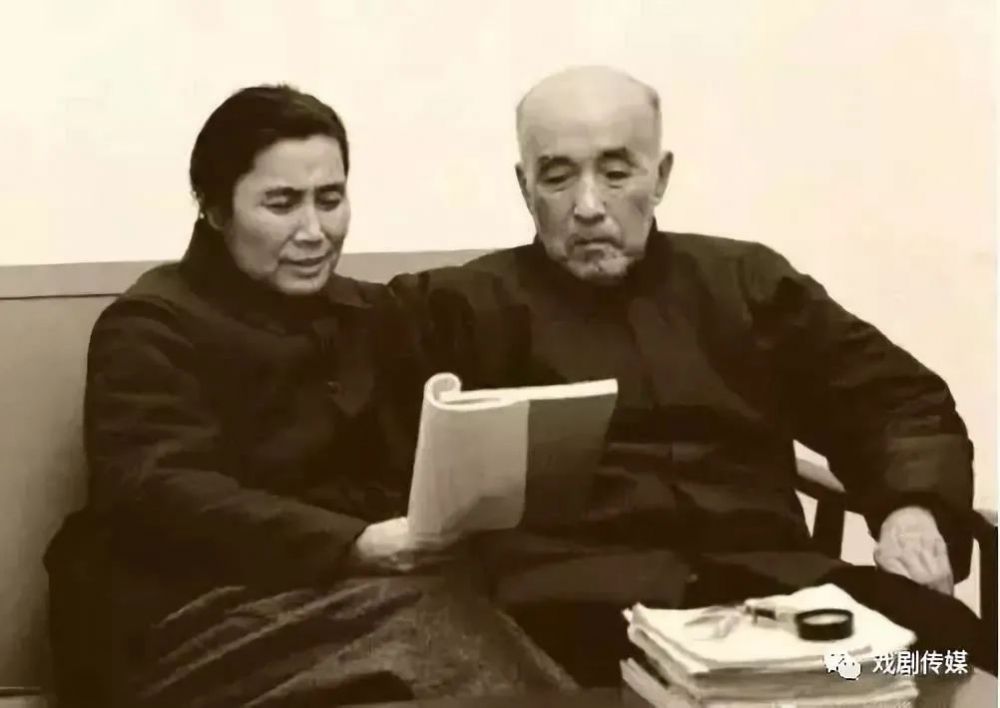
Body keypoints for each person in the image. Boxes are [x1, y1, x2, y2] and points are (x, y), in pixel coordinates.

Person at [391, 65, 996, 684]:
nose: (588, 207)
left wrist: (913, 508)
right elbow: (351, 423)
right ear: (526, 187)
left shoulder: (747, 284)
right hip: (578, 618)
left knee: (946, 654)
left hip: (780, 598)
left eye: (616, 172)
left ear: (661, 176)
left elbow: (893, 401)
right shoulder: (460, 307)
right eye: (558, 177)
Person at [43, 84, 575, 708]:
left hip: (355, 601)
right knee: (436, 629)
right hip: (185, 617)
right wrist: (352, 543)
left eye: (330, 199)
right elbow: (160, 489)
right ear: (215, 209)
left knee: (479, 608)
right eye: (282, 203)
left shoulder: (369, 313)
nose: (314, 231)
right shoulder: (150, 325)